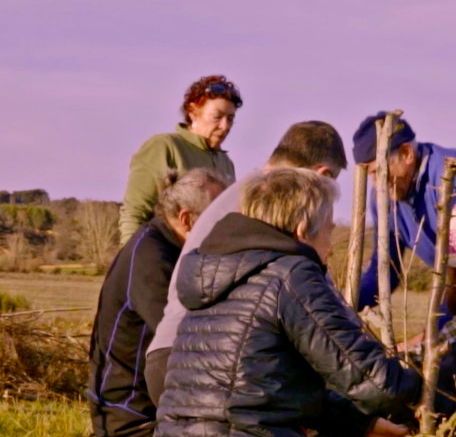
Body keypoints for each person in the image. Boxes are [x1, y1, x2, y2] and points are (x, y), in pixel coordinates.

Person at [150, 168, 422, 437]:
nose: (330, 245)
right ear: (301, 229)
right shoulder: (292, 273)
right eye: (329, 230)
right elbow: (373, 381)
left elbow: (269, 388)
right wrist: (436, 394)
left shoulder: (215, 277)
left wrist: (361, 428)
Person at [42, 168, 229, 437]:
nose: (227, 227)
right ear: (187, 219)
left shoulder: (171, 247)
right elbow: (194, 343)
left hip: (150, 408)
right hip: (136, 420)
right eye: (219, 217)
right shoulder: (154, 261)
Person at [144, 121, 348, 405]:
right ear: (322, 174)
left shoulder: (246, 193)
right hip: (204, 357)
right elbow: (302, 294)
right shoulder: (274, 202)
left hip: (177, 352)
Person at [351, 111, 456, 315]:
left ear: (407, 154)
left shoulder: (454, 176)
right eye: (369, 174)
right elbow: (384, 271)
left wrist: (431, 339)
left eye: (377, 171)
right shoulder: (383, 195)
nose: (375, 183)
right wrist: (340, 308)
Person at [118, 75, 241, 244]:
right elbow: (134, 213)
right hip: (164, 259)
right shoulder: (163, 147)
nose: (225, 126)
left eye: (231, 119)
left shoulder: (226, 163)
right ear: (193, 112)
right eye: (217, 116)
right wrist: (131, 262)